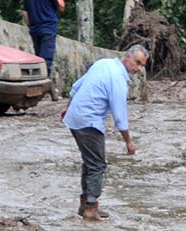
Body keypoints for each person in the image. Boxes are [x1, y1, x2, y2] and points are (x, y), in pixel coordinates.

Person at [62, 45, 148, 221]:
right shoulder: (118, 79)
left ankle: (85, 204)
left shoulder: (104, 63)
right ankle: (91, 208)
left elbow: (76, 86)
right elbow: (119, 116)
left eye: (142, 65)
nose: (139, 68)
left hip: (75, 117)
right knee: (97, 165)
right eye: (137, 63)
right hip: (89, 121)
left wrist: (68, 108)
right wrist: (128, 141)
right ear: (127, 57)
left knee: (89, 161)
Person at [23, 0, 65, 76]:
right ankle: (43, 83)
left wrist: (31, 26)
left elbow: (25, 12)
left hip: (34, 29)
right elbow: (61, 6)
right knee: (46, 60)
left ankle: (36, 81)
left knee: (38, 59)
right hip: (48, 29)